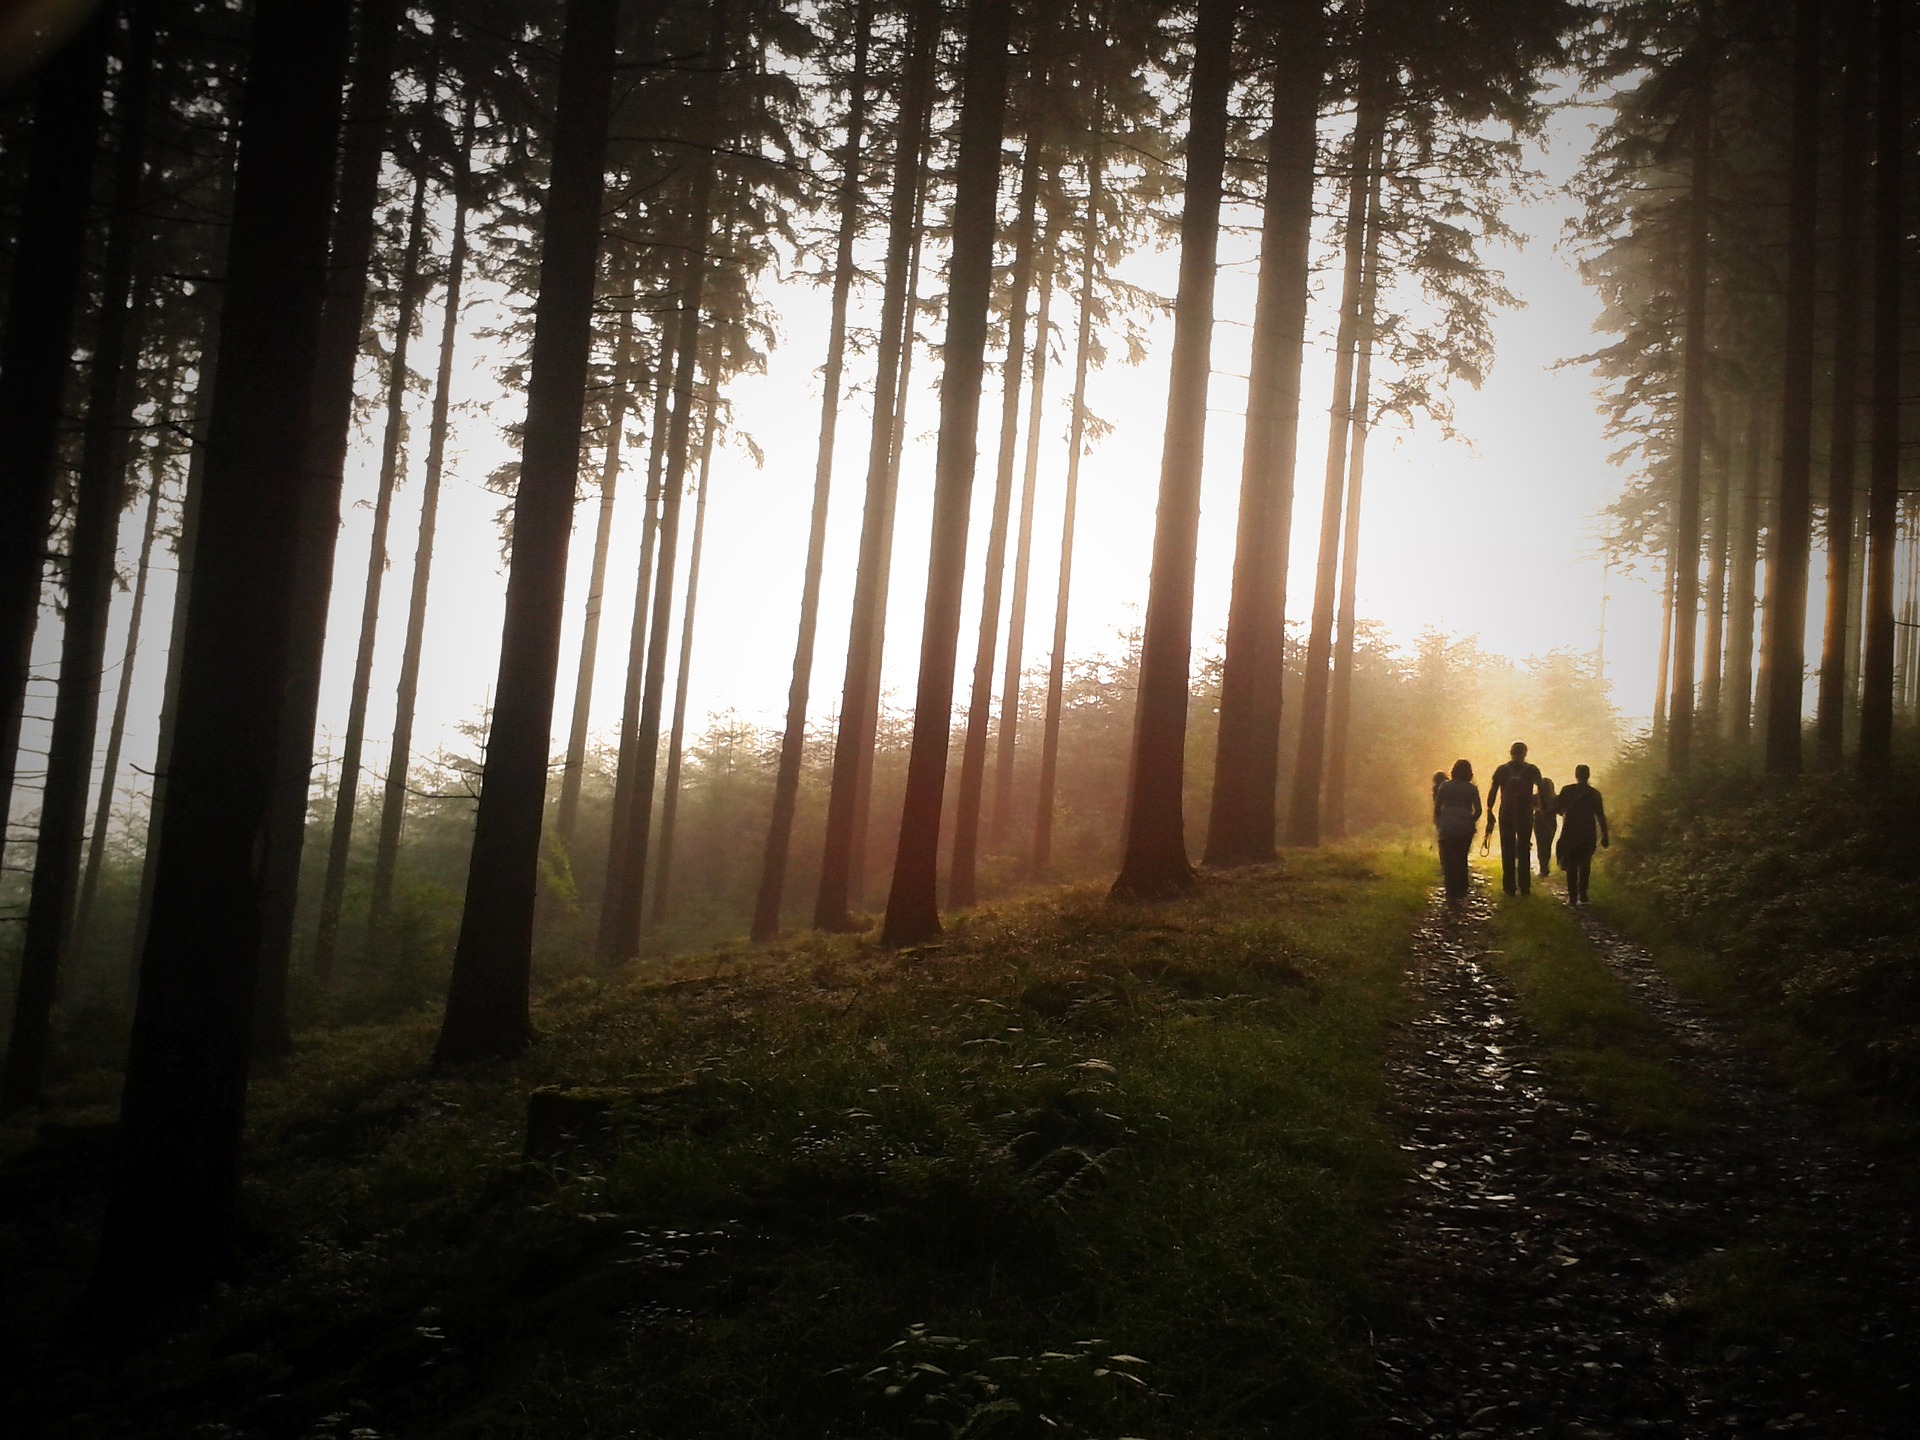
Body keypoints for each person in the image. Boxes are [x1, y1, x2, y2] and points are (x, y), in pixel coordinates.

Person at [1485, 741, 1543, 896]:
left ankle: (1509, 887)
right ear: (1525, 753)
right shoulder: (1532, 770)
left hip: (1506, 813)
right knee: (1524, 849)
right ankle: (1525, 887)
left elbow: (1493, 791)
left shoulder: (1502, 770)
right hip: (1525, 813)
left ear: (1510, 752)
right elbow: (1542, 789)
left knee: (1507, 849)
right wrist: (1540, 806)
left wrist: (1489, 810)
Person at [1554, 763, 1610, 904]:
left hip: (1570, 832)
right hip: (1588, 833)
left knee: (1571, 864)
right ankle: (1583, 895)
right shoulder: (1594, 794)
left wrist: (1567, 814)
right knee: (1585, 864)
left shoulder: (1567, 790)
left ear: (1576, 775)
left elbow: (1557, 808)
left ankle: (1572, 897)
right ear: (1588, 775)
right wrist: (1605, 835)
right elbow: (1600, 815)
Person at [1432, 759, 1481, 900]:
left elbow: (1437, 807)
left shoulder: (1444, 786)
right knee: (1461, 858)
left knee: (1448, 859)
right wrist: (1469, 820)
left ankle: (1450, 888)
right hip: (1465, 827)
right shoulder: (1472, 788)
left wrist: (1440, 821)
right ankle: (1461, 888)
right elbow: (1478, 811)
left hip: (1447, 826)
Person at [1533, 775, 1558, 878]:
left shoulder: (1535, 798)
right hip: (1550, 823)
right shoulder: (1554, 799)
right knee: (1547, 845)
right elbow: (1560, 811)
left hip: (1539, 823)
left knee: (1541, 844)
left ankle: (1543, 868)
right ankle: (1545, 867)